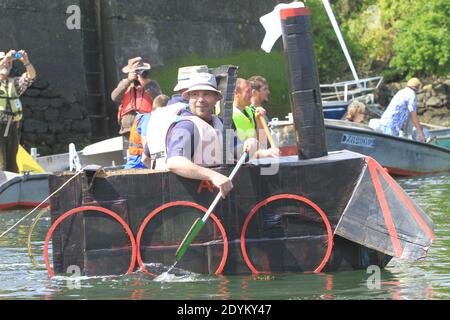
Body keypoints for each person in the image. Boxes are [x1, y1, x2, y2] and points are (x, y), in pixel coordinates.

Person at [145, 73, 276, 198]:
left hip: (212, 196)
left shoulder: (220, 123)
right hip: (187, 199)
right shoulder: (185, 126)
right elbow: (175, 162)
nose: (200, 100)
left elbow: (237, 151)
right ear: (189, 98)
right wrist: (213, 176)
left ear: (216, 98)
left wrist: (250, 145)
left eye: (206, 94)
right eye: (195, 94)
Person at [0, 50, 36, 173]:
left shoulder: (13, 83)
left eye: (9, 63)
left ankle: (12, 187)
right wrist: (6, 59)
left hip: (11, 127)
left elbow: (31, 76)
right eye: (2, 62)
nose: (6, 64)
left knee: (11, 162)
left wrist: (26, 62)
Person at [111, 57, 161, 143]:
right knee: (129, 154)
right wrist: (128, 81)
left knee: (148, 153)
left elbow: (159, 99)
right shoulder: (124, 84)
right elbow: (114, 97)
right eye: (136, 71)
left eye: (140, 71)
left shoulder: (151, 84)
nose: (138, 74)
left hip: (147, 127)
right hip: (128, 129)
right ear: (129, 73)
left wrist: (146, 85)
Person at [124, 94, 169, 169]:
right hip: (139, 165)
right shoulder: (148, 119)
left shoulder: (148, 117)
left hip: (138, 163)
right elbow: (146, 153)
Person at [379, 77, 426, 142]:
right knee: (390, 148)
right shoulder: (411, 95)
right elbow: (413, 115)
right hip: (392, 126)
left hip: (384, 122)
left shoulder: (401, 92)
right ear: (417, 88)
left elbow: (401, 110)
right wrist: (421, 133)